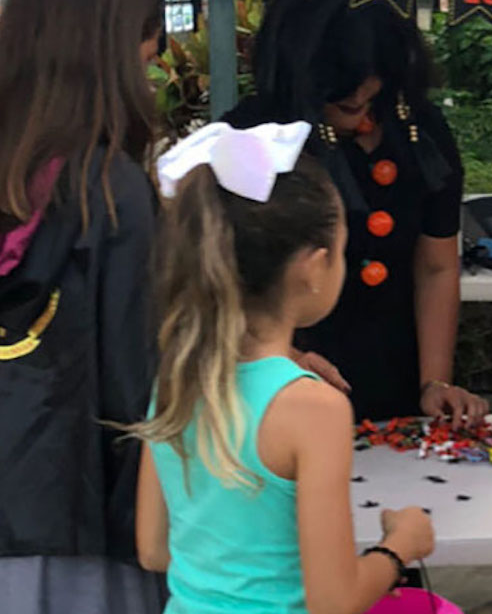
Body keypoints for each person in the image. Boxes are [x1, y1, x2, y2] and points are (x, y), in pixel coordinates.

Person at [131, 123, 435, 614]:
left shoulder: (178, 378)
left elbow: (154, 549)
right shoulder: (313, 406)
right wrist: (401, 545)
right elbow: (333, 601)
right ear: (313, 268)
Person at [226, 0, 486, 424]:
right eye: (341, 87)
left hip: (397, 381)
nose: (361, 95)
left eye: (374, 80)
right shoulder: (248, 137)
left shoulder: (418, 129)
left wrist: (436, 383)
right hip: (278, 391)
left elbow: (436, 264)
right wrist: (274, 358)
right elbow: (213, 279)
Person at [0, 0, 166, 613]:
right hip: (80, 529)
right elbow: (139, 385)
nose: (149, 86)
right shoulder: (110, 189)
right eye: (147, 64)